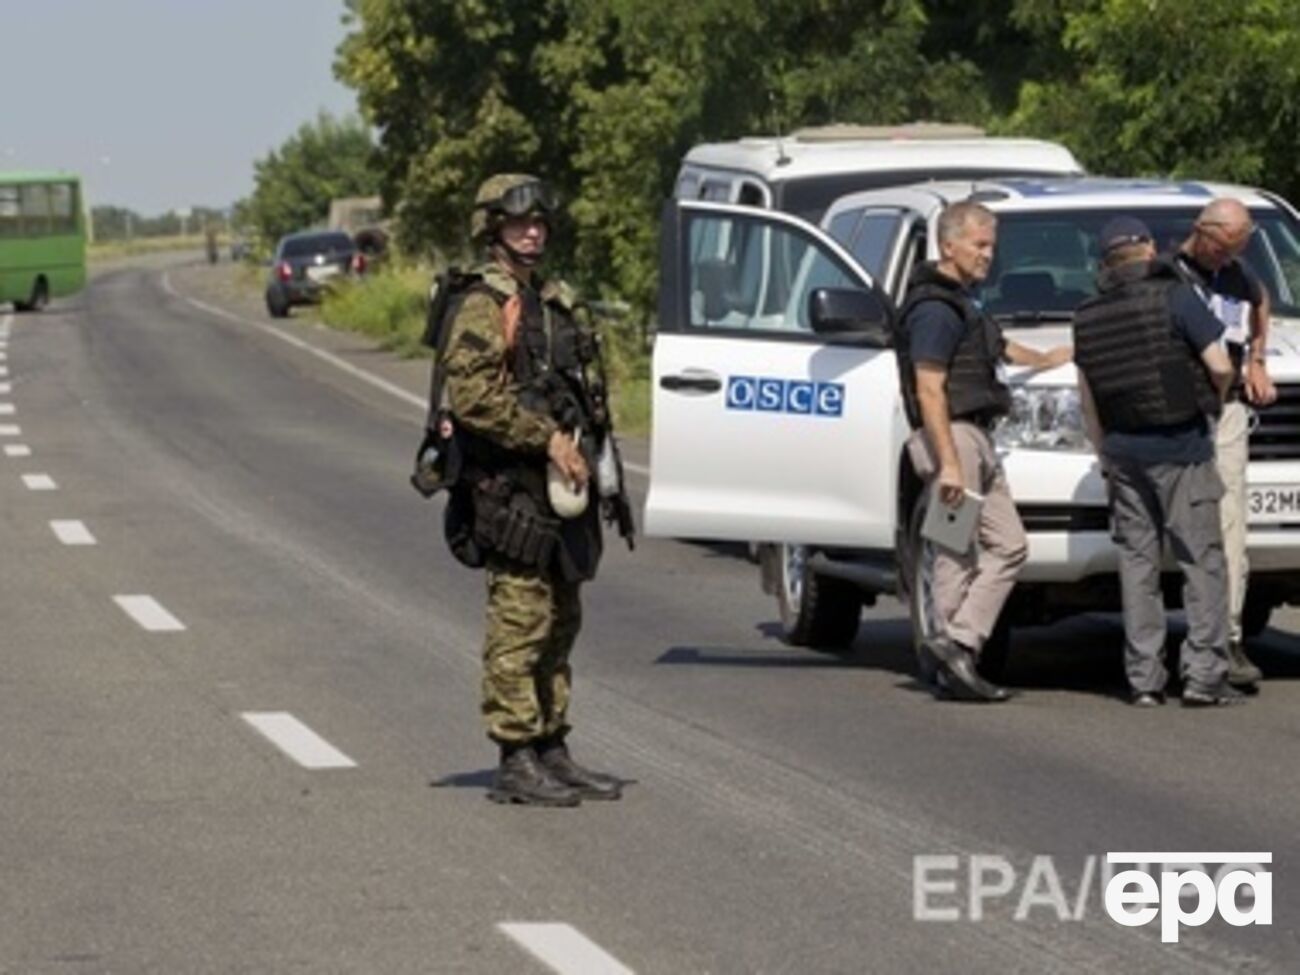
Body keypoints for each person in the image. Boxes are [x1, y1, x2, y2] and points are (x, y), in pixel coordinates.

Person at [438, 173, 626, 805]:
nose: (533, 232)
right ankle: (515, 756)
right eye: (520, 223)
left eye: (540, 223)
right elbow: (472, 398)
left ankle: (552, 745)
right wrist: (546, 439)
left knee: (562, 621)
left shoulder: (550, 298)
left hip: (560, 487)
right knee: (520, 624)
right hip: (511, 489)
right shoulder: (484, 304)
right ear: (493, 229)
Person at [896, 200, 1071, 702]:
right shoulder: (935, 309)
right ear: (948, 245)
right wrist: (949, 462)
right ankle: (956, 647)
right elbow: (930, 388)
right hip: (956, 440)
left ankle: (954, 643)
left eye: (991, 245)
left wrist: (1048, 358)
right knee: (954, 550)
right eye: (978, 244)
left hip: (974, 438)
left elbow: (997, 346)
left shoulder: (963, 302)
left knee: (1007, 544)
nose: (987, 255)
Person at [1073, 217, 1244, 707]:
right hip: (1181, 446)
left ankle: (1144, 679)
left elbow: (1089, 399)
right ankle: (1203, 676)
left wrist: (1105, 451)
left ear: (1106, 261)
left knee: (1137, 566)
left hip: (1124, 452)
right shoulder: (1177, 297)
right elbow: (1219, 365)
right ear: (1148, 249)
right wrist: (1212, 406)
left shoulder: (1086, 315)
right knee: (1201, 561)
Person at [1172, 199, 1276, 690]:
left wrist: (1258, 358)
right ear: (1202, 232)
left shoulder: (1237, 272)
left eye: (1238, 248)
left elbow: (1260, 298)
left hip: (1228, 409)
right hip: (1179, 411)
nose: (1226, 257)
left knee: (1231, 521)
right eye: (1221, 247)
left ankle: (1227, 638)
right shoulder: (1170, 275)